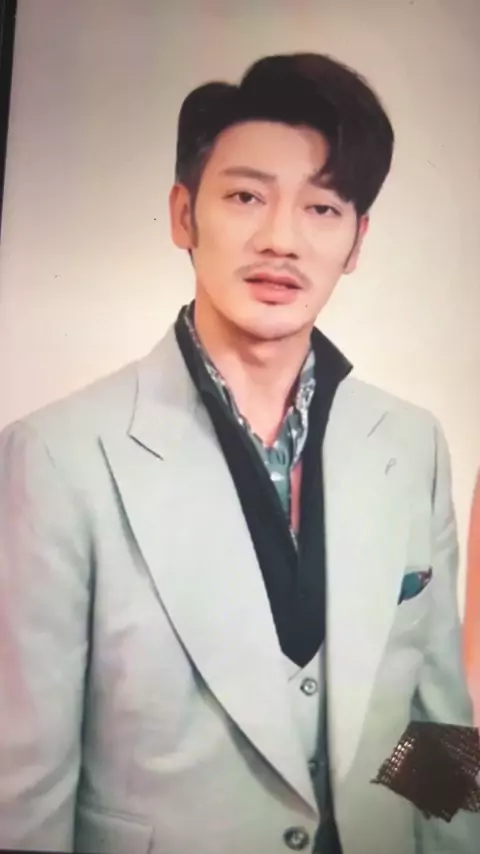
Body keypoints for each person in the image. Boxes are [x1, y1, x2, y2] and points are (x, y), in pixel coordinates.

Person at [0, 52, 476, 854]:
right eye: (246, 196)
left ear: (357, 241)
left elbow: (434, 728)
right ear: (184, 214)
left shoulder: (410, 442)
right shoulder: (54, 458)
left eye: (322, 208)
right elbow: (22, 797)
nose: (281, 239)